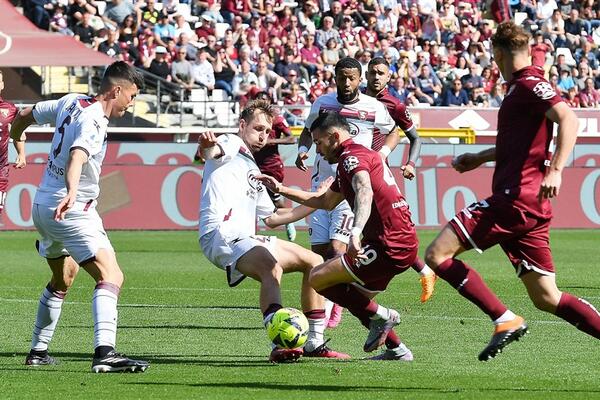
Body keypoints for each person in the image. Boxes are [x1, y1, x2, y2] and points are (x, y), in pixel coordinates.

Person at [424, 21, 600, 362]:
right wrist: (481, 156)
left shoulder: (531, 84)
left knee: (436, 255)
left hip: (516, 198)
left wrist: (557, 171)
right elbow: (519, 143)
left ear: (499, 54)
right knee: (546, 297)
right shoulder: (521, 86)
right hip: (529, 205)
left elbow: (569, 119)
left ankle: (504, 319)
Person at [9, 61, 149, 372]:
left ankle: (38, 351)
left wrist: (17, 143)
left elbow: (23, 116)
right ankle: (105, 354)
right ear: (116, 90)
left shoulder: (71, 100)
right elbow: (77, 155)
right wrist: (72, 191)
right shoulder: (95, 121)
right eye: (132, 95)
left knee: (63, 279)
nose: (132, 103)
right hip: (71, 209)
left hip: (43, 206)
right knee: (111, 276)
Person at [197, 99, 349, 363]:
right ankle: (279, 344)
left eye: (268, 131)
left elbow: (276, 218)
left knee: (314, 262)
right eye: (258, 128)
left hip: (246, 238)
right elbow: (212, 152)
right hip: (219, 234)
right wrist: (207, 146)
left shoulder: (252, 168)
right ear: (242, 125)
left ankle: (314, 342)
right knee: (271, 267)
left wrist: (318, 197)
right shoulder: (231, 143)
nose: (263, 136)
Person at [259, 112, 419, 361]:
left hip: (388, 243)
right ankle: (398, 350)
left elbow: (364, 190)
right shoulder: (356, 155)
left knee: (318, 277)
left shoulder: (350, 159)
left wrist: (355, 231)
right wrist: (280, 189)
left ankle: (386, 316)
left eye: (318, 143)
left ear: (334, 136)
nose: (317, 151)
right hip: (396, 241)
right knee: (356, 300)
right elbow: (324, 200)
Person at [294, 57, 398, 328]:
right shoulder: (322, 104)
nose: (348, 83)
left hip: (349, 190)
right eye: (343, 77)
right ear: (335, 77)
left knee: (337, 249)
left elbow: (394, 132)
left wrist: (380, 155)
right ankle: (331, 302)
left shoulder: (372, 107)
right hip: (322, 187)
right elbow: (307, 132)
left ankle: (334, 307)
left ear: (360, 78)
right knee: (318, 254)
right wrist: (303, 150)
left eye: (352, 78)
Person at [364, 57, 437, 302]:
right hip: (351, 169)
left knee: (386, 229)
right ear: (366, 74)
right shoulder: (354, 100)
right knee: (369, 228)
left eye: (381, 73)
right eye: (372, 72)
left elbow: (416, 138)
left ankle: (349, 289)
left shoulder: (394, 105)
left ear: (388, 77)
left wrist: (410, 163)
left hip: (377, 172)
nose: (376, 77)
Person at [252, 92, 298, 241]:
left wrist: (270, 142)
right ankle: (248, 233)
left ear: (270, 102)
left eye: (265, 101)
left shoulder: (277, 119)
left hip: (272, 166)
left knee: (275, 200)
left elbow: (292, 138)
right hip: (253, 164)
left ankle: (288, 220)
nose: (262, 104)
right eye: (259, 101)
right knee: (250, 198)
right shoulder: (251, 119)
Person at [0, 70, 18, 217]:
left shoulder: (10, 109)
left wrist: (22, 154)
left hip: (1, 170)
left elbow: (19, 132)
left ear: (2, 85)